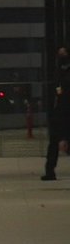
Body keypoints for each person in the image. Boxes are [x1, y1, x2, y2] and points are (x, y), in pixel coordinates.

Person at [43, 47, 70, 180]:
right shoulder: (59, 72)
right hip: (59, 111)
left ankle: (50, 170)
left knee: (57, 142)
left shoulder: (63, 72)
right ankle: (49, 170)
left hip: (64, 110)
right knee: (54, 142)